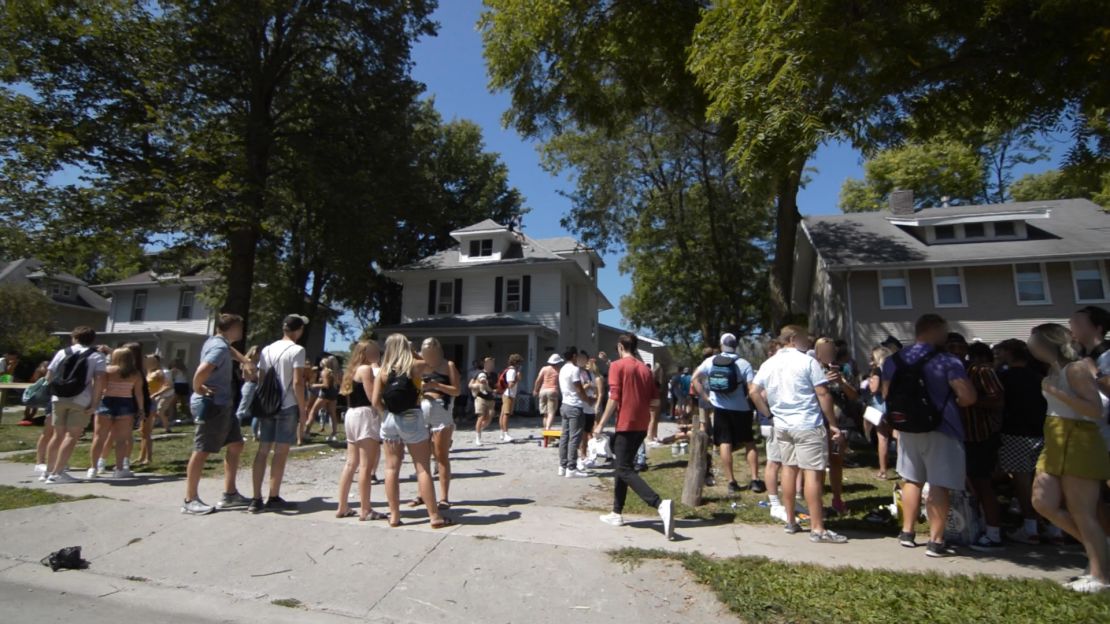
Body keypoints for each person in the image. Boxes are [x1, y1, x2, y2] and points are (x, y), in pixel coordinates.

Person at [881, 314, 977, 556]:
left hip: (907, 428)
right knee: (939, 484)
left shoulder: (894, 360)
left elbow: (885, 395)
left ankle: (907, 532)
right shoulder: (947, 360)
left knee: (911, 479)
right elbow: (968, 397)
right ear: (934, 330)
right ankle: (936, 540)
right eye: (944, 332)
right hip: (942, 428)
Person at [1029, 323, 1110, 593]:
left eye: (1034, 339)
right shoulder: (1054, 369)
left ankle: (1101, 576)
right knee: (1042, 501)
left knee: (1082, 511)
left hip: (1079, 438)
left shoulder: (1074, 369)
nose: (1029, 344)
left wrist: (1056, 392)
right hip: (1055, 437)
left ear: (1047, 342)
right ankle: (1101, 551)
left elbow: (1095, 409)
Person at [749, 325, 847, 544]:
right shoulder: (807, 361)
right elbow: (822, 393)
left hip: (782, 425)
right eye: (804, 339)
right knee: (812, 473)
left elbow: (754, 391)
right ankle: (818, 528)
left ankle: (791, 520)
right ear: (793, 339)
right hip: (807, 424)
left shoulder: (769, 363)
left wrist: (769, 414)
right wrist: (832, 423)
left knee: (789, 470)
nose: (807, 343)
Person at [594, 333, 674, 539]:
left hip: (626, 423)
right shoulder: (645, 369)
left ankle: (658, 503)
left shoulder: (617, 366)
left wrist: (601, 423)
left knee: (623, 468)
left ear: (621, 347)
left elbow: (613, 398)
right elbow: (655, 402)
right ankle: (616, 512)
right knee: (623, 465)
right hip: (641, 423)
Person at [372, 333, 453, 529]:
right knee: (422, 467)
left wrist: (385, 416)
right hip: (412, 417)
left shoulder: (383, 371)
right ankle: (434, 516)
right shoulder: (415, 367)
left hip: (390, 419)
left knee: (391, 468)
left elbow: (375, 401)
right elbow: (429, 362)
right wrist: (412, 352)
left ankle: (394, 515)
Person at [182, 314, 252, 515]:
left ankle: (230, 495)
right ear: (231, 328)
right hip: (211, 405)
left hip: (223, 404)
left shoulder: (218, 342)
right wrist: (198, 387)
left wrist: (244, 360)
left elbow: (229, 350)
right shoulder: (219, 348)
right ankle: (190, 499)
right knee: (202, 450)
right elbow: (203, 369)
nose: (241, 331)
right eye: (239, 327)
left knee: (236, 444)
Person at [249, 314, 309, 513]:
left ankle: (256, 497)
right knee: (281, 452)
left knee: (263, 450)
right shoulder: (297, 350)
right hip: (287, 404)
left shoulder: (267, 349)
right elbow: (298, 382)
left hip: (267, 406)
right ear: (298, 330)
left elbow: (261, 378)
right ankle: (273, 495)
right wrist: (303, 409)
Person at [995, 339, 1051, 545]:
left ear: (1009, 353)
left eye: (1000, 352)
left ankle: (1030, 527)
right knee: (1043, 480)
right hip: (1040, 432)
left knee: (1022, 481)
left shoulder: (1004, 378)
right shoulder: (1038, 377)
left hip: (1014, 433)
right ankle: (1053, 526)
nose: (998, 356)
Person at [693, 333, 760, 495]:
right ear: (736, 345)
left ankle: (731, 482)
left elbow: (695, 378)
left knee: (725, 442)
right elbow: (751, 389)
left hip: (720, 408)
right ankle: (755, 479)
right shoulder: (743, 364)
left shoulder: (710, 361)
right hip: (742, 409)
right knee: (749, 442)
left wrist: (706, 397)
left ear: (722, 345)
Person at [41, 327, 107, 484]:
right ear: (92, 340)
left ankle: (48, 471)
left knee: (57, 435)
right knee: (71, 435)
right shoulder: (97, 356)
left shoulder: (62, 352)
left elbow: (49, 374)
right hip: (81, 399)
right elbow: (99, 381)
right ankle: (57, 473)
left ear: (74, 337)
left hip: (58, 397)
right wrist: (95, 403)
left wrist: (52, 393)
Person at [960, 341, 1007, 551]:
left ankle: (993, 532)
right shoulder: (950, 372)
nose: (953, 351)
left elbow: (998, 399)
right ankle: (975, 525)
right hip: (961, 438)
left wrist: (971, 400)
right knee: (970, 485)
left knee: (983, 484)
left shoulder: (980, 371)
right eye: (948, 347)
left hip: (981, 436)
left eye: (957, 346)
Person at [336, 340, 386, 521]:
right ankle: (366, 509)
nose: (377, 354)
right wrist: (385, 412)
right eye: (374, 351)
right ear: (365, 353)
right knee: (366, 464)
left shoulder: (351, 370)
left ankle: (342, 505)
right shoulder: (365, 370)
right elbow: (373, 396)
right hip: (365, 415)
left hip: (351, 415)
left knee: (351, 463)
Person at [814, 337, 858, 515]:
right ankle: (818, 503)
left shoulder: (845, 369)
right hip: (818, 422)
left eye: (831, 350)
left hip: (840, 421)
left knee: (836, 461)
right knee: (818, 464)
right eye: (824, 351)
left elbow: (855, 396)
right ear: (817, 352)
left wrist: (841, 382)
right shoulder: (813, 369)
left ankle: (837, 499)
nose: (828, 354)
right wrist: (823, 381)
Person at [86, 347, 144, 479]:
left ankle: (93, 468)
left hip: (106, 402)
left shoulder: (107, 371)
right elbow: (138, 393)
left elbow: (100, 388)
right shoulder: (136, 373)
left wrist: (93, 404)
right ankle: (119, 469)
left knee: (99, 437)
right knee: (121, 440)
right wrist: (141, 409)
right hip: (126, 403)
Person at [418, 337, 461, 508]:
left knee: (441, 455)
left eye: (432, 352)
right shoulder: (419, 364)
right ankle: (422, 494)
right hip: (421, 410)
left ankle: (444, 497)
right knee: (422, 457)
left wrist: (437, 385)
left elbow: (457, 390)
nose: (429, 356)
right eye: (426, 352)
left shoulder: (448, 365)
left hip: (441, 411)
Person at [558, 347, 590, 478]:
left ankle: (562, 465)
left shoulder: (562, 369)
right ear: (574, 356)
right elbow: (579, 388)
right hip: (574, 405)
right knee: (574, 437)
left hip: (564, 404)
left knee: (564, 436)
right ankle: (572, 467)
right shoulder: (574, 369)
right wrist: (587, 399)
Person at [865, 346, 895, 479]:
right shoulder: (893, 369)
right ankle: (902, 468)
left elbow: (874, 388)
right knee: (897, 436)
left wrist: (869, 383)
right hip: (892, 405)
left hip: (879, 406)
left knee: (882, 438)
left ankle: (883, 471)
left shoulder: (876, 370)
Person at [138, 354, 171, 465]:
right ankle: (141, 456)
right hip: (143, 402)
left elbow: (168, 385)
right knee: (143, 431)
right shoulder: (147, 372)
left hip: (150, 402)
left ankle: (149, 457)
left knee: (146, 431)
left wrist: (155, 394)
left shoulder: (158, 373)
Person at [578, 353, 603, 469]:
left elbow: (597, 390)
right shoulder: (577, 373)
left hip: (590, 407)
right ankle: (581, 456)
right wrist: (588, 386)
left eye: (585, 360)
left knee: (588, 431)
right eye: (581, 360)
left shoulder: (591, 374)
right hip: (581, 406)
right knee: (582, 432)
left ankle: (586, 455)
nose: (584, 362)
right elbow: (578, 390)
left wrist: (594, 397)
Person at [309, 355, 341, 442]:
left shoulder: (325, 372)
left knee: (313, 411)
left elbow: (326, 385)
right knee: (332, 414)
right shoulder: (335, 372)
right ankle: (334, 433)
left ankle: (306, 431)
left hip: (324, 395)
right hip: (333, 395)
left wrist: (315, 385)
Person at [533, 354, 563, 431]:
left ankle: (546, 434)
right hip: (553, 391)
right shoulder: (559, 370)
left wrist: (535, 390)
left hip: (543, 391)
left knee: (545, 414)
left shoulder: (544, 369)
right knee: (551, 413)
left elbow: (538, 380)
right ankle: (547, 430)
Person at [235, 346, 261, 438]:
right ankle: (235, 432)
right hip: (250, 385)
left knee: (256, 409)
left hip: (251, 385)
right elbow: (253, 376)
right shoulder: (249, 362)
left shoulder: (251, 362)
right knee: (242, 410)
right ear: (254, 352)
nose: (260, 355)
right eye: (258, 352)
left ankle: (256, 432)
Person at [470, 357, 496, 445]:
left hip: (491, 398)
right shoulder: (479, 373)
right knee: (480, 417)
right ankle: (478, 438)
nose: (490, 365)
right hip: (480, 398)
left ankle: (480, 429)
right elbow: (470, 385)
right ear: (485, 364)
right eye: (489, 363)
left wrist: (495, 390)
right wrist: (477, 386)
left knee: (489, 417)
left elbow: (495, 386)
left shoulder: (494, 375)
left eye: (492, 364)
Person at [498, 354, 523, 442]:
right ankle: (506, 434)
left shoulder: (508, 370)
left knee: (502, 413)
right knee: (506, 414)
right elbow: (510, 384)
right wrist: (517, 378)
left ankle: (502, 433)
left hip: (506, 394)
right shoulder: (512, 371)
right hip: (508, 394)